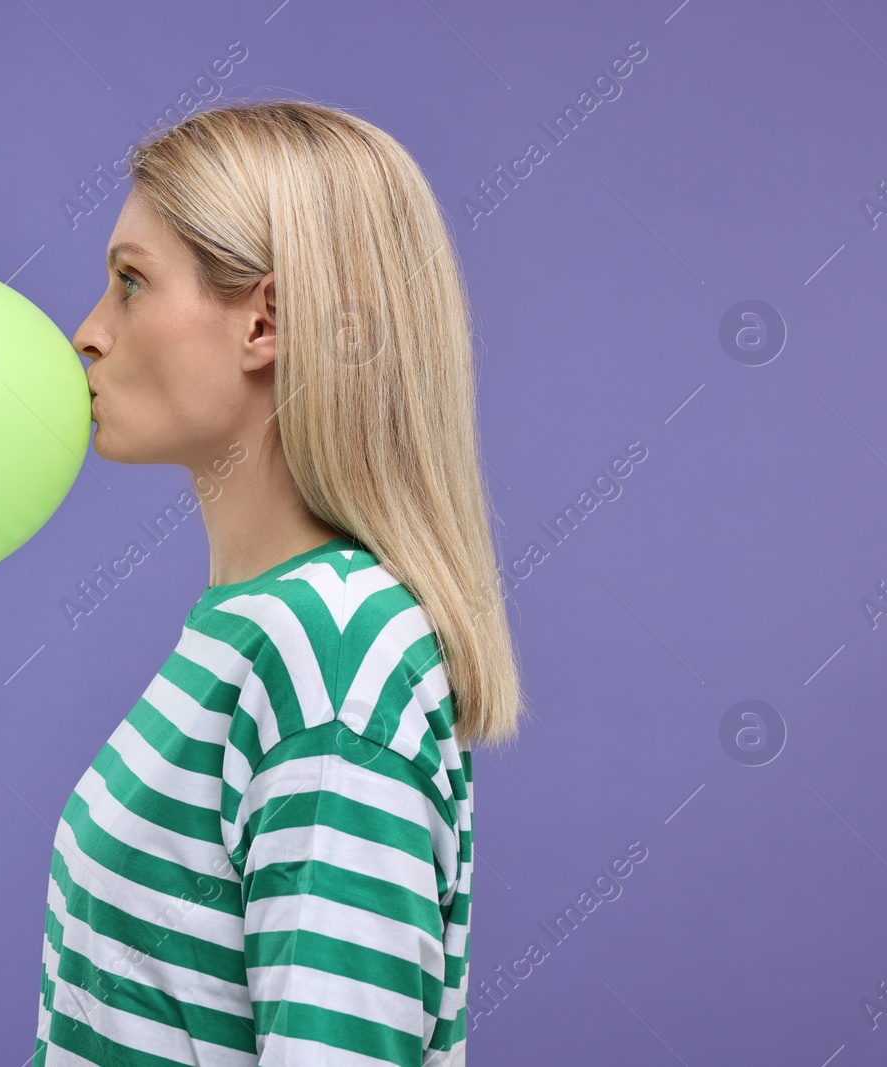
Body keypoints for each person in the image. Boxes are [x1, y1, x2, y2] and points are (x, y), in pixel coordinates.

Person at [36, 99, 524, 1066]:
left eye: (130, 283)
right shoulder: (259, 627)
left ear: (264, 321)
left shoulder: (332, 653)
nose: (85, 333)